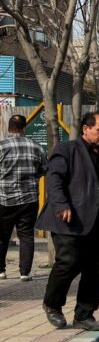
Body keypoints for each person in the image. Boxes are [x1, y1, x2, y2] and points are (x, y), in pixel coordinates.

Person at [37, 112, 99, 331]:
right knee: (69, 262)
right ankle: (52, 305)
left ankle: (84, 314)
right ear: (85, 129)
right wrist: (61, 204)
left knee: (98, 269)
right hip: (69, 220)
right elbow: (54, 179)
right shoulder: (67, 150)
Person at [0, 115, 47, 281]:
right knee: (26, 235)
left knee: (3, 235)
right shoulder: (36, 146)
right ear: (24, 127)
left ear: (8, 127)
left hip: (4, 198)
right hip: (29, 198)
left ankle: (1, 270)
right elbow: (44, 169)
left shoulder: (1, 146)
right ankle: (25, 272)